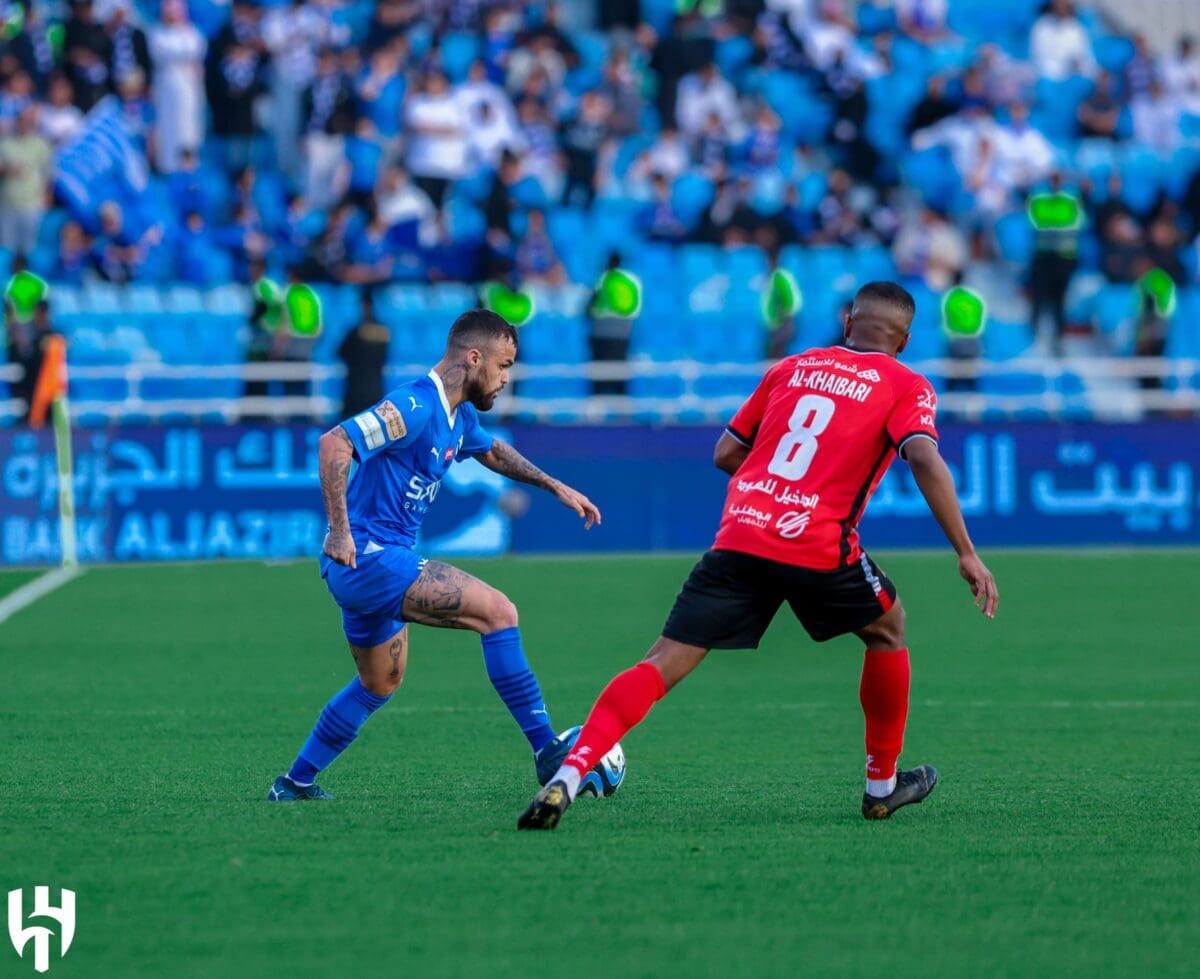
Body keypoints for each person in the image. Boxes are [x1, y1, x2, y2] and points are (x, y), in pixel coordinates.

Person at [518, 281, 999, 830]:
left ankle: (570, 774)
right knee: (888, 627)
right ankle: (881, 785)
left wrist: (770, 490)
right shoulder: (906, 384)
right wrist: (966, 552)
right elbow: (924, 459)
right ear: (905, 340)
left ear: (847, 324)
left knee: (661, 662)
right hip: (817, 541)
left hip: (742, 533)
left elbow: (726, 452)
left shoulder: (789, 368)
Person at [268, 310, 603, 801]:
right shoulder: (414, 406)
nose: (506, 379)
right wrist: (340, 530)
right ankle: (546, 750)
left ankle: (295, 782)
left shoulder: (459, 414)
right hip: (370, 556)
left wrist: (553, 485)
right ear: (474, 357)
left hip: (369, 567)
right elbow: (334, 443)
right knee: (499, 612)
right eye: (504, 365)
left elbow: (492, 452)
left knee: (380, 682)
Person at [337, 290, 390, 418]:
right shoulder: (384, 332)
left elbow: (340, 352)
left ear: (365, 306)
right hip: (376, 391)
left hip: (355, 392)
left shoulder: (355, 332)